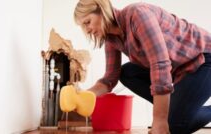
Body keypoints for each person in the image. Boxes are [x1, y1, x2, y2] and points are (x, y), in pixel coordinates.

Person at [73, 0, 211, 134]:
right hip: (179, 69)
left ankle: (171, 116)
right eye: (83, 26)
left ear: (102, 11)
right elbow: (109, 79)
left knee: (173, 126)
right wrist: (82, 96)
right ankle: (172, 111)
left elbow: (160, 64)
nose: (87, 30)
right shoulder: (111, 39)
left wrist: (159, 120)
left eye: (87, 22)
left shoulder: (137, 15)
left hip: (203, 59)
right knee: (127, 73)